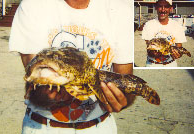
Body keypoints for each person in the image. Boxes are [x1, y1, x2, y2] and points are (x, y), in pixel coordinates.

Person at [9, 0, 135, 133]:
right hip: (44, 127)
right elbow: (34, 77)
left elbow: (126, 81)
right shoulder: (32, 5)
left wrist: (123, 98)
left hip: (100, 126)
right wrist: (43, 93)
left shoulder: (120, 8)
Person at [142, 0, 187, 67]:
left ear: (170, 8)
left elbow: (179, 47)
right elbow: (149, 49)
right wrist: (154, 53)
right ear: (156, 8)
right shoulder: (149, 25)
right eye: (160, 6)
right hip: (152, 65)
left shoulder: (177, 26)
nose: (163, 10)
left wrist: (178, 54)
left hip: (171, 64)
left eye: (166, 6)